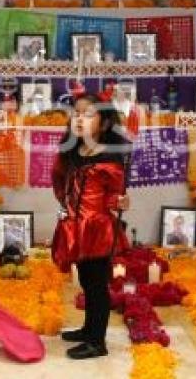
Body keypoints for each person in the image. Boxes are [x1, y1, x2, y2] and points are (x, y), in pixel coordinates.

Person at [51, 92, 131, 360]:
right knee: (85, 279)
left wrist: (119, 201)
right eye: (76, 113)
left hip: (97, 228)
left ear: (105, 123)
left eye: (88, 114)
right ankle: (88, 329)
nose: (79, 118)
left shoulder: (109, 156)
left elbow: (113, 193)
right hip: (77, 225)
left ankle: (98, 342)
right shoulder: (75, 151)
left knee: (97, 284)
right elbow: (60, 180)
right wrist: (66, 203)